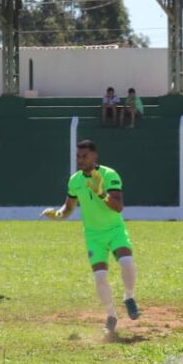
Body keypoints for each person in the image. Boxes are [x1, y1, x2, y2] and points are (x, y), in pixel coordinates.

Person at [42, 139, 140, 337]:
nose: (80, 159)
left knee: (127, 262)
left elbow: (118, 206)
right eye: (78, 156)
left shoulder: (109, 175)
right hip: (93, 235)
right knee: (100, 277)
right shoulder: (75, 180)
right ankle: (111, 315)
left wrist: (101, 192)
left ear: (95, 156)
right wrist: (57, 214)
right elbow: (68, 208)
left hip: (115, 229)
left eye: (84, 156)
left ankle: (129, 297)